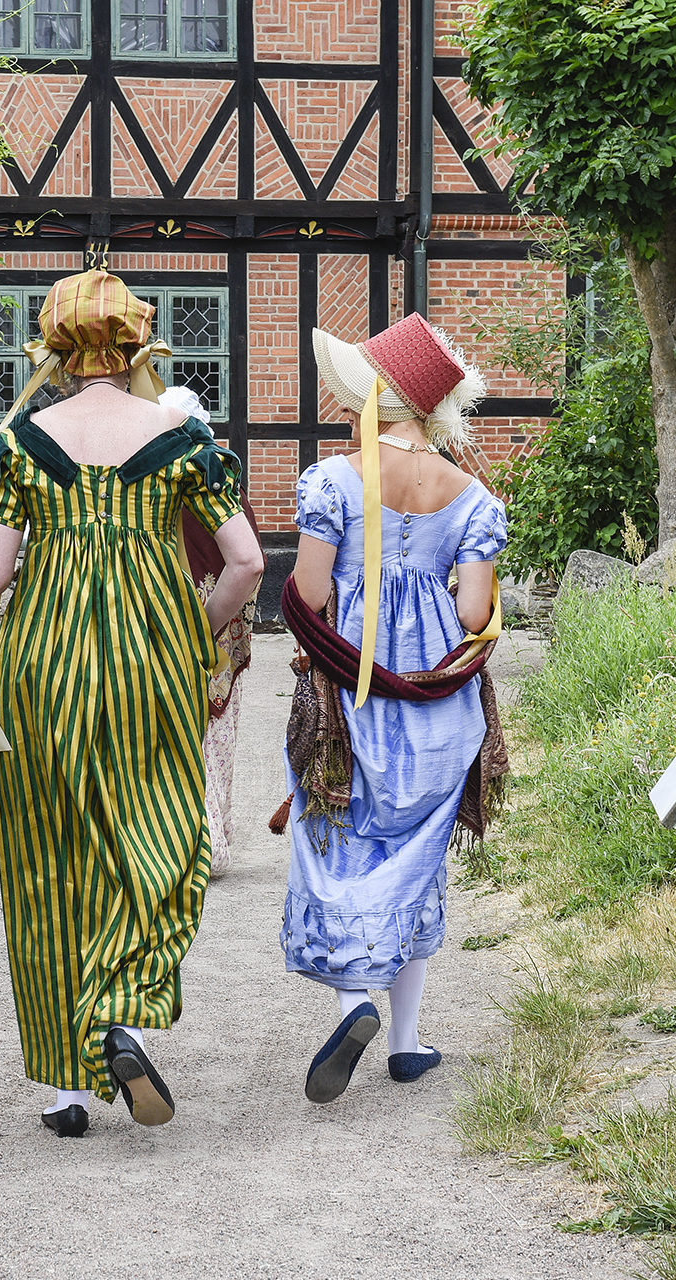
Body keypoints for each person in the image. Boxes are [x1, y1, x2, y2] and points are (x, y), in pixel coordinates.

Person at [0, 269, 264, 1138]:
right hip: (150, 668)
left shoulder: (18, 445)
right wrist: (191, 631)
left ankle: (66, 1090)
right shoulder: (186, 444)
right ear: (137, 347)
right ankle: (122, 1017)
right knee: (162, 835)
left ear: (57, 350)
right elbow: (245, 566)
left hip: (42, 671)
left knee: (50, 863)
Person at [279, 314, 506, 1100]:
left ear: (379, 395)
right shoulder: (472, 495)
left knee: (340, 836)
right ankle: (406, 1043)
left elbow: (309, 593)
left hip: (352, 689)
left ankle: (352, 1003)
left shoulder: (333, 481)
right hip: (438, 701)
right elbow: (476, 616)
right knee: (416, 858)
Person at [158, 386, 261, 880]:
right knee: (214, 737)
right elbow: (250, 563)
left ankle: (179, 843)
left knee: (169, 734)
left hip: (167, 622)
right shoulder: (221, 481)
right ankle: (209, 839)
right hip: (219, 625)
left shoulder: (155, 482)